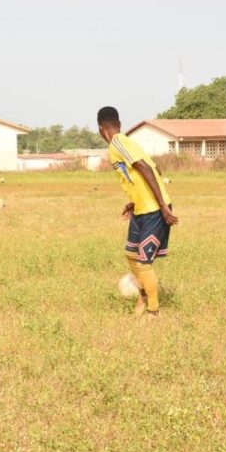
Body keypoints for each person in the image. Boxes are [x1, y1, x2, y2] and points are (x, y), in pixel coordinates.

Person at [97, 106, 177, 317]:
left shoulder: (117, 143)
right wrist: (134, 201)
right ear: (119, 124)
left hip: (154, 209)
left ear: (100, 129)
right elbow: (154, 169)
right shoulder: (127, 142)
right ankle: (143, 293)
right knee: (131, 253)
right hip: (142, 208)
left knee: (143, 263)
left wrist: (162, 206)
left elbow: (146, 168)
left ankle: (153, 312)